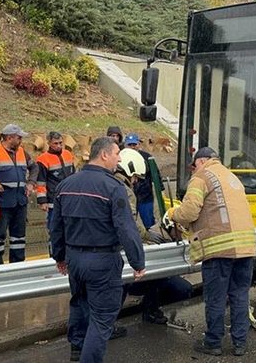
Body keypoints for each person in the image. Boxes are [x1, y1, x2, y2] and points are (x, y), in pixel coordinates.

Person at [50, 137, 146, 362]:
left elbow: (56, 226)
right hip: (103, 260)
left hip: (75, 259)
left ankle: (77, 348)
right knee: (102, 319)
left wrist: (59, 256)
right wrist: (138, 262)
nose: (119, 158)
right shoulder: (113, 187)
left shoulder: (66, 185)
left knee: (80, 303)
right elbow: (126, 229)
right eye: (116, 154)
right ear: (104, 155)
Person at [164, 147, 256, 357]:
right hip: (246, 247)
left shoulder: (202, 177)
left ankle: (213, 342)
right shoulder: (231, 177)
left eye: (194, 164)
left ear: (202, 161)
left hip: (219, 249)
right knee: (240, 295)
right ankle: (240, 343)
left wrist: (172, 214)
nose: (194, 169)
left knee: (215, 297)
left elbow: (189, 212)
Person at [117, 148, 192, 328]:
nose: (135, 182)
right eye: (135, 177)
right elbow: (130, 223)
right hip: (120, 253)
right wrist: (146, 234)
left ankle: (146, 311)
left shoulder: (110, 184)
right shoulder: (122, 189)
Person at [0, 124, 38, 265]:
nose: (21, 140)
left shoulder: (22, 152)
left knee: (19, 237)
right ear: (9, 138)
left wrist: (31, 183)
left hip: (20, 202)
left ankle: (18, 264)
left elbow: (34, 167)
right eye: (19, 137)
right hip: (2, 203)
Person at [36, 132, 75, 233]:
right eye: (55, 143)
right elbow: (41, 181)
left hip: (69, 198)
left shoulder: (68, 154)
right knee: (54, 230)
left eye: (60, 143)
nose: (59, 146)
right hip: (53, 200)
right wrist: (42, 201)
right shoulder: (43, 159)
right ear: (49, 143)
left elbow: (74, 175)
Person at [124, 132, 163, 229]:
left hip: (145, 197)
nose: (132, 147)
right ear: (125, 145)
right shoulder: (121, 158)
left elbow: (156, 175)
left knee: (149, 222)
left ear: (139, 144)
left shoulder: (147, 157)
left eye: (134, 144)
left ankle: (153, 240)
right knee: (129, 222)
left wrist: (161, 190)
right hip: (128, 197)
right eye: (130, 145)